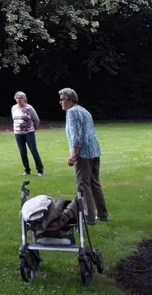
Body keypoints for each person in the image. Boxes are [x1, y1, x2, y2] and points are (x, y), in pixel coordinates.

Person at [60, 88, 109, 226]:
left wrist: (74, 154)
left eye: (62, 99)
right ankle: (103, 214)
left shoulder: (72, 112)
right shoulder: (84, 110)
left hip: (83, 154)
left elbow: (77, 135)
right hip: (94, 151)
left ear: (70, 99)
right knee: (94, 183)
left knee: (83, 184)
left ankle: (89, 217)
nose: (60, 102)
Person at [11, 91, 44, 176]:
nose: (18, 100)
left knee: (33, 151)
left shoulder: (29, 108)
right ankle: (27, 170)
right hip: (18, 133)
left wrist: (33, 129)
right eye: (17, 98)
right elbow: (14, 119)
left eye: (20, 98)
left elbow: (36, 120)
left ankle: (40, 170)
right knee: (22, 152)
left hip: (29, 133)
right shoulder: (14, 108)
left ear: (24, 99)